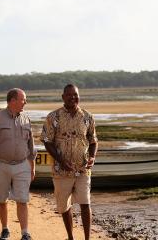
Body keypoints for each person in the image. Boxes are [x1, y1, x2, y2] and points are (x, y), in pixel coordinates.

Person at [40, 84, 98, 240]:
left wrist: (92, 157)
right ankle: (71, 237)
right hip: (61, 169)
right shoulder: (53, 117)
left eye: (76, 94)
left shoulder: (87, 117)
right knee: (64, 206)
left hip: (83, 169)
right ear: (63, 97)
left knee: (85, 203)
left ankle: (87, 238)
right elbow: (46, 141)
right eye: (69, 95)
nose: (73, 97)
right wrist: (61, 160)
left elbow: (93, 141)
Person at [0, 88, 36, 240]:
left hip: (22, 164)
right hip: (0, 164)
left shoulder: (26, 119)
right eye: (23, 99)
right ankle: (5, 229)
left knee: (22, 199)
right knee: (1, 199)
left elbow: (31, 145)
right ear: (12, 100)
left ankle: (25, 233)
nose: (26, 102)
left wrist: (32, 167)